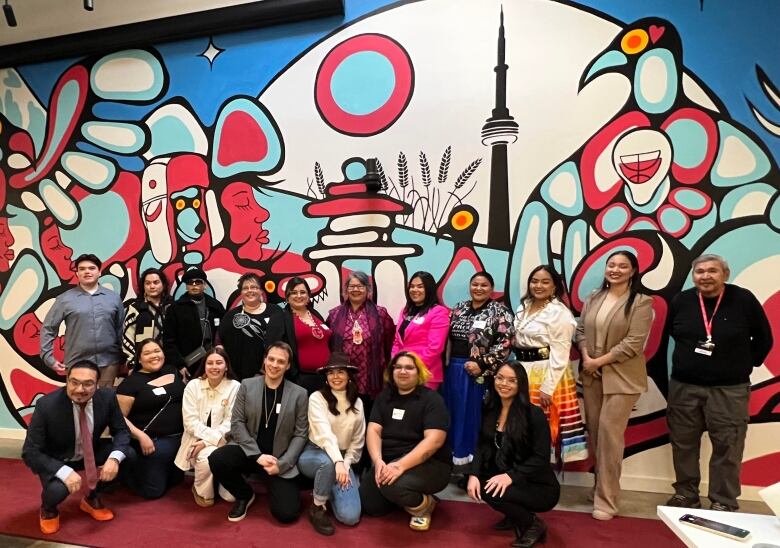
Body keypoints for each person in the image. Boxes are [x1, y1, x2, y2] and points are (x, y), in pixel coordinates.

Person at [665, 254, 773, 512]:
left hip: (729, 389)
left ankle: (723, 501)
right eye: (700, 271)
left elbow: (764, 338)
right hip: (684, 387)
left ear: (725, 274)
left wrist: (744, 365)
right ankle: (686, 494)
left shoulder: (743, 300)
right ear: (694, 276)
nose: (705, 276)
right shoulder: (683, 301)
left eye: (712, 271)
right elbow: (673, 333)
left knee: (728, 446)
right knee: (683, 443)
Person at [575, 250, 653, 520]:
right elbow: (581, 331)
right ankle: (601, 487)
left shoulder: (641, 302)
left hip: (623, 379)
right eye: (611, 265)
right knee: (597, 435)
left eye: (623, 266)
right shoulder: (594, 298)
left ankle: (607, 501)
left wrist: (600, 362)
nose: (616, 270)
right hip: (592, 375)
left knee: (610, 437)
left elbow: (634, 343)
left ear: (633, 271)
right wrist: (587, 358)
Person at [22, 361, 132, 534]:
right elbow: (30, 451)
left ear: (97, 384)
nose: (80, 389)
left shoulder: (107, 398)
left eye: (88, 384)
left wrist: (114, 459)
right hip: (59, 458)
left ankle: (91, 498)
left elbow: (121, 431)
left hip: (91, 452)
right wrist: (63, 472)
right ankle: (48, 509)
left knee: (128, 455)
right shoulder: (46, 405)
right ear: (67, 379)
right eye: (74, 382)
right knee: (57, 490)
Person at [208, 342, 308, 523]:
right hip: (249, 452)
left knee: (286, 515)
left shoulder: (300, 394)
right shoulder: (247, 385)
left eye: (280, 361)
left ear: (288, 366)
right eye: (271, 359)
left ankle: (274, 484)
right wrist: (256, 455)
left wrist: (283, 464)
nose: (274, 365)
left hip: (278, 458)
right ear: (264, 360)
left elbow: (301, 434)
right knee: (217, 459)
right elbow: (237, 423)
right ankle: (244, 494)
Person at [466, 361, 560, 548]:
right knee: (480, 482)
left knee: (488, 490)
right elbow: (483, 445)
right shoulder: (491, 409)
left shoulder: (534, 414)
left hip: (539, 486)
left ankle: (534, 524)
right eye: (500, 378)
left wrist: (510, 476)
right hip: (511, 475)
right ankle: (513, 514)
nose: (504, 384)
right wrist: (473, 474)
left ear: (521, 384)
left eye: (511, 380)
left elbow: (541, 458)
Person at [359, 351, 452, 531]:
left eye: (409, 368)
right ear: (392, 372)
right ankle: (406, 494)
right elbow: (373, 431)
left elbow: (435, 440)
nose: (403, 371)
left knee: (391, 485)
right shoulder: (384, 397)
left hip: (430, 463)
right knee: (370, 505)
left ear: (419, 372)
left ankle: (425, 506)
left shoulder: (432, 399)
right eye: (398, 367)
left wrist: (400, 466)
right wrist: (378, 461)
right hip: (389, 461)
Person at [513, 265, 586, 464]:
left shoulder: (559, 313)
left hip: (545, 373)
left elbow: (561, 355)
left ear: (554, 286)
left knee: (543, 425)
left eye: (545, 282)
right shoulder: (524, 306)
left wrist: (548, 388)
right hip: (522, 371)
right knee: (522, 422)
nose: (538, 285)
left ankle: (539, 475)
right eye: (534, 281)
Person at [443, 271, 514, 466]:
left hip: (479, 373)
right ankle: (452, 459)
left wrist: (481, 363)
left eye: (484, 285)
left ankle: (474, 465)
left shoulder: (500, 311)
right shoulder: (459, 308)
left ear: (491, 288)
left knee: (474, 417)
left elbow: (506, 343)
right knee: (453, 415)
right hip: (453, 371)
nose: (479, 288)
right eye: (475, 284)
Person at [299, 352, 365, 535]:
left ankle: (331, 485)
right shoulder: (316, 398)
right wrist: (337, 462)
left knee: (350, 517)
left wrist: (346, 463)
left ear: (348, 375)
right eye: (331, 373)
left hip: (343, 458)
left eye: (341, 372)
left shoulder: (357, 402)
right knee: (326, 463)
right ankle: (317, 506)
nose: (336, 376)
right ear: (326, 378)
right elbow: (324, 434)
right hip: (315, 453)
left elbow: (357, 441)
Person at [40, 253, 125, 388]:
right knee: (79, 401)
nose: (87, 271)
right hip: (77, 362)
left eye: (91, 268)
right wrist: (48, 358)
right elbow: (48, 328)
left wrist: (121, 358)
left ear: (99, 272)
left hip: (109, 363)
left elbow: (120, 329)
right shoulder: (65, 299)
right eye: (82, 269)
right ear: (77, 273)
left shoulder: (113, 298)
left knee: (105, 401)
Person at [116, 338, 185, 499]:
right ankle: (124, 473)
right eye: (147, 353)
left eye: (157, 351)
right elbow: (118, 418)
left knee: (176, 481)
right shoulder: (130, 384)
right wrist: (141, 436)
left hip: (180, 439)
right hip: (153, 442)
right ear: (139, 359)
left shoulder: (172, 371)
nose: (154, 356)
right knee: (153, 491)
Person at [174, 347, 241, 507]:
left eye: (219, 362)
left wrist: (207, 442)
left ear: (226, 366)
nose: (214, 367)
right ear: (204, 366)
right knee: (206, 457)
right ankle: (202, 491)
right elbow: (190, 422)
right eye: (210, 363)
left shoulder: (235, 386)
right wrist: (206, 442)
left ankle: (218, 480)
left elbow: (231, 422)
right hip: (195, 439)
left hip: (226, 440)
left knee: (230, 497)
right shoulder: (193, 386)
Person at [326, 271, 395, 403]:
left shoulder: (380, 314)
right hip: (342, 375)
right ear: (346, 289)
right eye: (351, 286)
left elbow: (389, 343)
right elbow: (328, 345)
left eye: (360, 286)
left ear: (368, 289)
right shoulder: (334, 315)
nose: (355, 289)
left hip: (371, 375)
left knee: (369, 412)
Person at [219, 273, 285, 380]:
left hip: (268, 372)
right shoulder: (231, 315)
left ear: (261, 291)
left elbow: (281, 341)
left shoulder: (275, 311)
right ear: (241, 292)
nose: (250, 290)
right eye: (245, 288)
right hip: (236, 375)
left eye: (254, 287)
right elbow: (219, 339)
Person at [163, 267, 226, 380]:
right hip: (188, 365)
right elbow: (169, 342)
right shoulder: (175, 309)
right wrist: (180, 365)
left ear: (205, 285)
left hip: (214, 362)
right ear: (186, 286)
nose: (194, 285)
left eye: (198, 282)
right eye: (190, 283)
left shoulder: (216, 306)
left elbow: (225, 334)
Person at [391, 271, 449, 390]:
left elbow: (435, 348)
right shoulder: (405, 311)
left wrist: (412, 368)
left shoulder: (438, 312)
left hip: (425, 374)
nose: (414, 290)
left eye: (420, 286)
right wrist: (396, 364)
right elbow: (397, 341)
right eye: (412, 286)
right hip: (402, 373)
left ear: (429, 289)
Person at [282, 276, 331, 393]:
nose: (299, 296)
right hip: (301, 381)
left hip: (325, 377)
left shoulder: (316, 314)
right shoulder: (281, 318)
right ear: (287, 297)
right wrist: (294, 376)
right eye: (294, 292)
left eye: (303, 292)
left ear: (308, 296)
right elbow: (276, 349)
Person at [122, 267, 172, 371]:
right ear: (143, 286)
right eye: (148, 283)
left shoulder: (172, 307)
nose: (152, 286)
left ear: (163, 284)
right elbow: (127, 337)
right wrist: (132, 363)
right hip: (142, 365)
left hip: (170, 363)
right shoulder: (135, 308)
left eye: (156, 282)